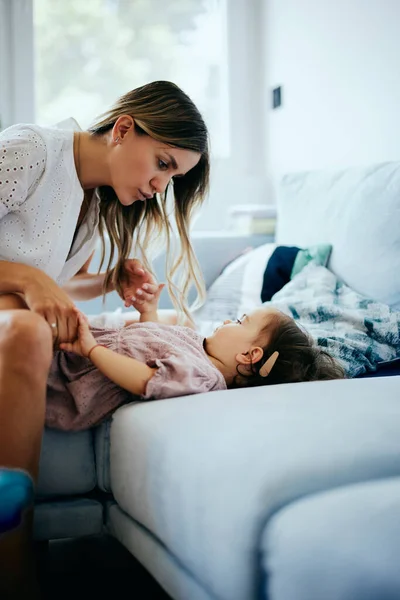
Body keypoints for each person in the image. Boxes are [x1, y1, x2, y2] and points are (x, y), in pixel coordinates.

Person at [0, 80, 209, 598]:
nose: (163, 185)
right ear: (122, 129)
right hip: (14, 315)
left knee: (34, 331)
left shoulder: (95, 208)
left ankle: (14, 539)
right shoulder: (30, 152)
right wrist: (30, 282)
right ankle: (15, 562)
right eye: (163, 162)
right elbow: (31, 276)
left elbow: (47, 274)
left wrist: (108, 281)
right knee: (28, 326)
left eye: (174, 176)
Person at [44, 277, 345, 432]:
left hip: (73, 377)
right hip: (73, 354)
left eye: (240, 321)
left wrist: (92, 350)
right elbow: (153, 345)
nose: (228, 321)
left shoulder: (204, 377)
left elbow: (146, 379)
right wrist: (148, 311)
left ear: (249, 355)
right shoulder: (197, 346)